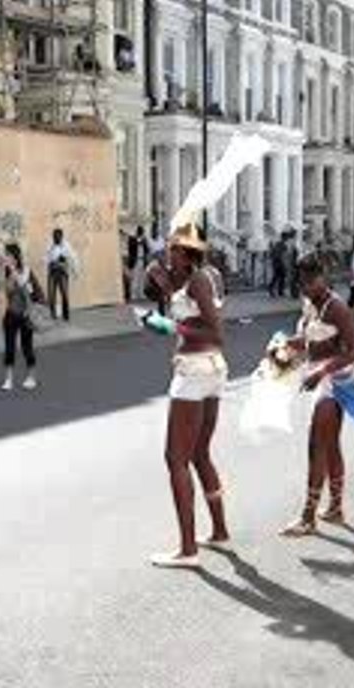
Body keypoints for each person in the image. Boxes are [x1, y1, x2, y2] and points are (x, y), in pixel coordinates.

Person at [141, 222, 229, 568]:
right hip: (210, 370)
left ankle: (188, 549)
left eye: (173, 249)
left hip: (195, 372)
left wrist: (171, 327)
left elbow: (216, 330)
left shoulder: (198, 280)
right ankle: (219, 531)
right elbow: (184, 307)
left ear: (186, 252)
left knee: (175, 458)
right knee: (199, 454)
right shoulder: (197, 278)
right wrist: (162, 288)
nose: (167, 252)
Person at [278, 254, 354, 537]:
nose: (306, 288)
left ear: (323, 278)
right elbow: (311, 340)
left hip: (336, 382)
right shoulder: (310, 305)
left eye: (311, 282)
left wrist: (320, 373)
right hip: (318, 377)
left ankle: (308, 516)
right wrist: (289, 345)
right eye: (302, 282)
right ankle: (336, 507)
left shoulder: (337, 308)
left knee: (317, 445)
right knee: (331, 443)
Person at [1, 243, 41, 392]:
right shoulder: (7, 272)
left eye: (8, 255)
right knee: (9, 347)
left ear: (15, 256)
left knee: (27, 347)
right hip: (11, 314)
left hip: (26, 315)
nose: (6, 258)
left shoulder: (27, 271)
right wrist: (10, 272)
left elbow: (25, 286)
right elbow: (8, 291)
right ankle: (9, 378)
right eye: (6, 255)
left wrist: (14, 271)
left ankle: (31, 377)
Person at [46, 228, 78, 321]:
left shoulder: (66, 245)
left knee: (64, 293)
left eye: (57, 237)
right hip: (52, 271)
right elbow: (45, 257)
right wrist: (52, 259)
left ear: (61, 237)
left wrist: (75, 271)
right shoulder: (50, 245)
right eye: (54, 237)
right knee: (51, 294)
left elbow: (73, 258)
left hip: (62, 272)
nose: (55, 239)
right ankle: (53, 314)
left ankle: (66, 314)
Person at [127, 226, 148, 302]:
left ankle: (141, 293)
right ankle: (133, 295)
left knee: (142, 278)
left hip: (142, 260)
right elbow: (131, 246)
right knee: (135, 278)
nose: (142, 233)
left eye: (142, 232)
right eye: (141, 232)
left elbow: (147, 249)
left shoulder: (144, 240)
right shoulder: (132, 239)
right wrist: (139, 241)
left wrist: (143, 242)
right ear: (138, 231)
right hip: (135, 261)